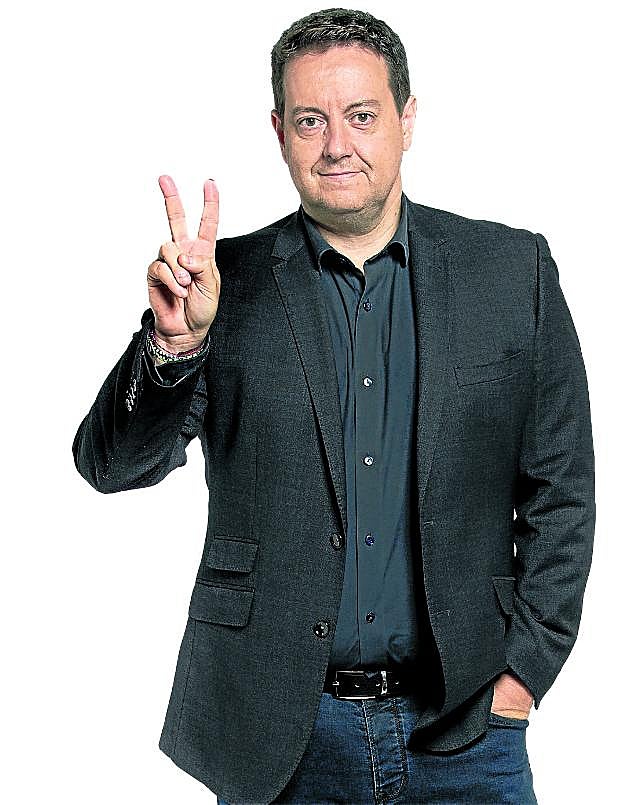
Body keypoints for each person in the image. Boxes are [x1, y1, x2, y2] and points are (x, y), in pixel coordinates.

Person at [72, 7, 595, 804]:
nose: (336, 145)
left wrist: (522, 675)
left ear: (407, 120)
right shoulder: (222, 284)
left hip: (466, 732)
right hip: (282, 736)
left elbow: (563, 492)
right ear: (279, 131)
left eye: (361, 115)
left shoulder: (510, 270)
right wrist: (175, 344)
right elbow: (111, 466)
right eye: (310, 120)